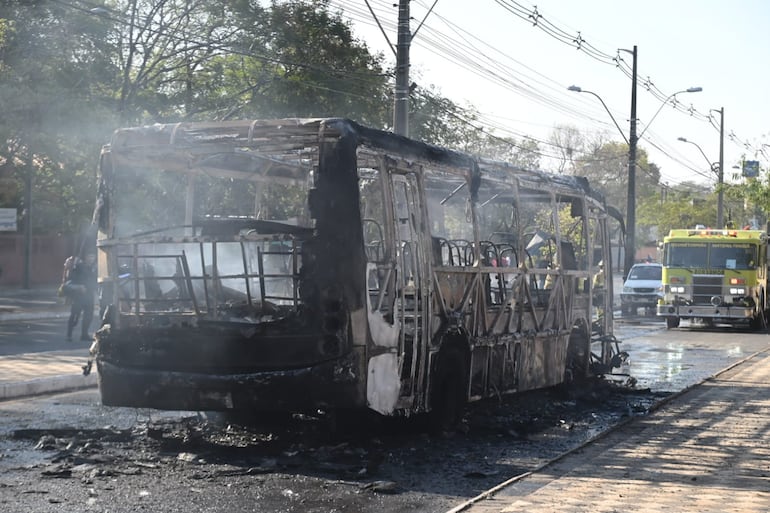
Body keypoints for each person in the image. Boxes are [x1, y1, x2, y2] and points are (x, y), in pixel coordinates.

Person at [66, 251, 97, 342]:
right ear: (85, 257)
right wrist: (79, 287)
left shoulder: (93, 268)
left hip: (89, 295)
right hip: (78, 295)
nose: (91, 259)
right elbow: (71, 280)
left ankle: (84, 334)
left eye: (93, 256)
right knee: (74, 316)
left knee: (88, 316)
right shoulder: (78, 267)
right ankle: (69, 334)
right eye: (89, 256)